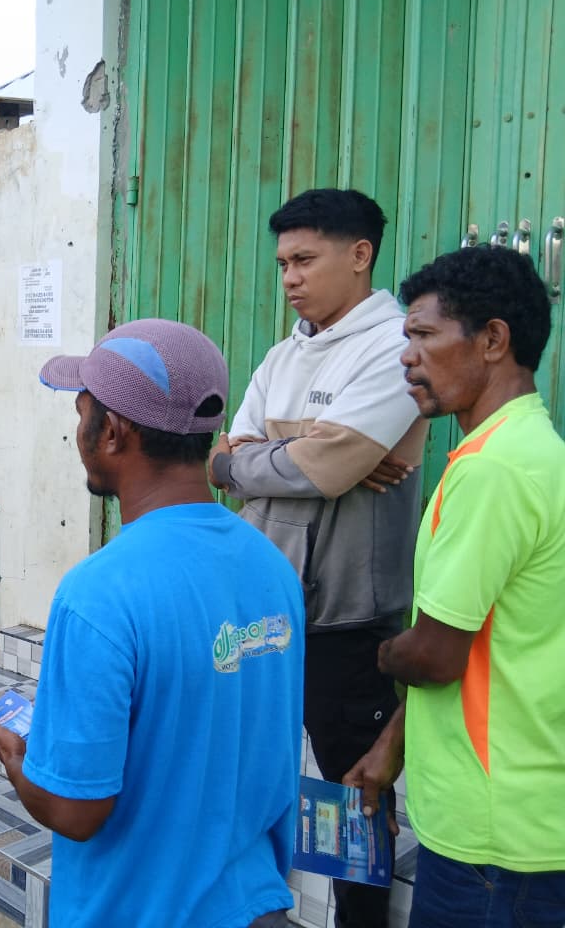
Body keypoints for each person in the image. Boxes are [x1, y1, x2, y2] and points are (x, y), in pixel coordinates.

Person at [0, 319, 305, 928]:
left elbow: (77, 812)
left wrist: (17, 764)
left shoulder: (98, 594)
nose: (77, 432)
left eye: (81, 412)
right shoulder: (272, 566)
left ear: (112, 431)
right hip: (253, 905)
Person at [207, 188, 426, 926]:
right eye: (282, 264)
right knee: (254, 775)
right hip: (268, 611)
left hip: (348, 620)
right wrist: (305, 454)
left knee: (351, 795)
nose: (290, 278)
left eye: (304, 259)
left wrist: (286, 458)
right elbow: (225, 462)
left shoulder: (394, 347)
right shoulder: (284, 353)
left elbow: (320, 469)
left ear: (360, 255)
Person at [345, 246, 565, 928]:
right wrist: (392, 746)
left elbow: (436, 655)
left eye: (423, 335)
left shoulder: (493, 470)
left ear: (493, 340)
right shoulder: (536, 452)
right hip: (520, 822)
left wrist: (387, 652)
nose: (407, 357)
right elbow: (481, 644)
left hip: (491, 846)